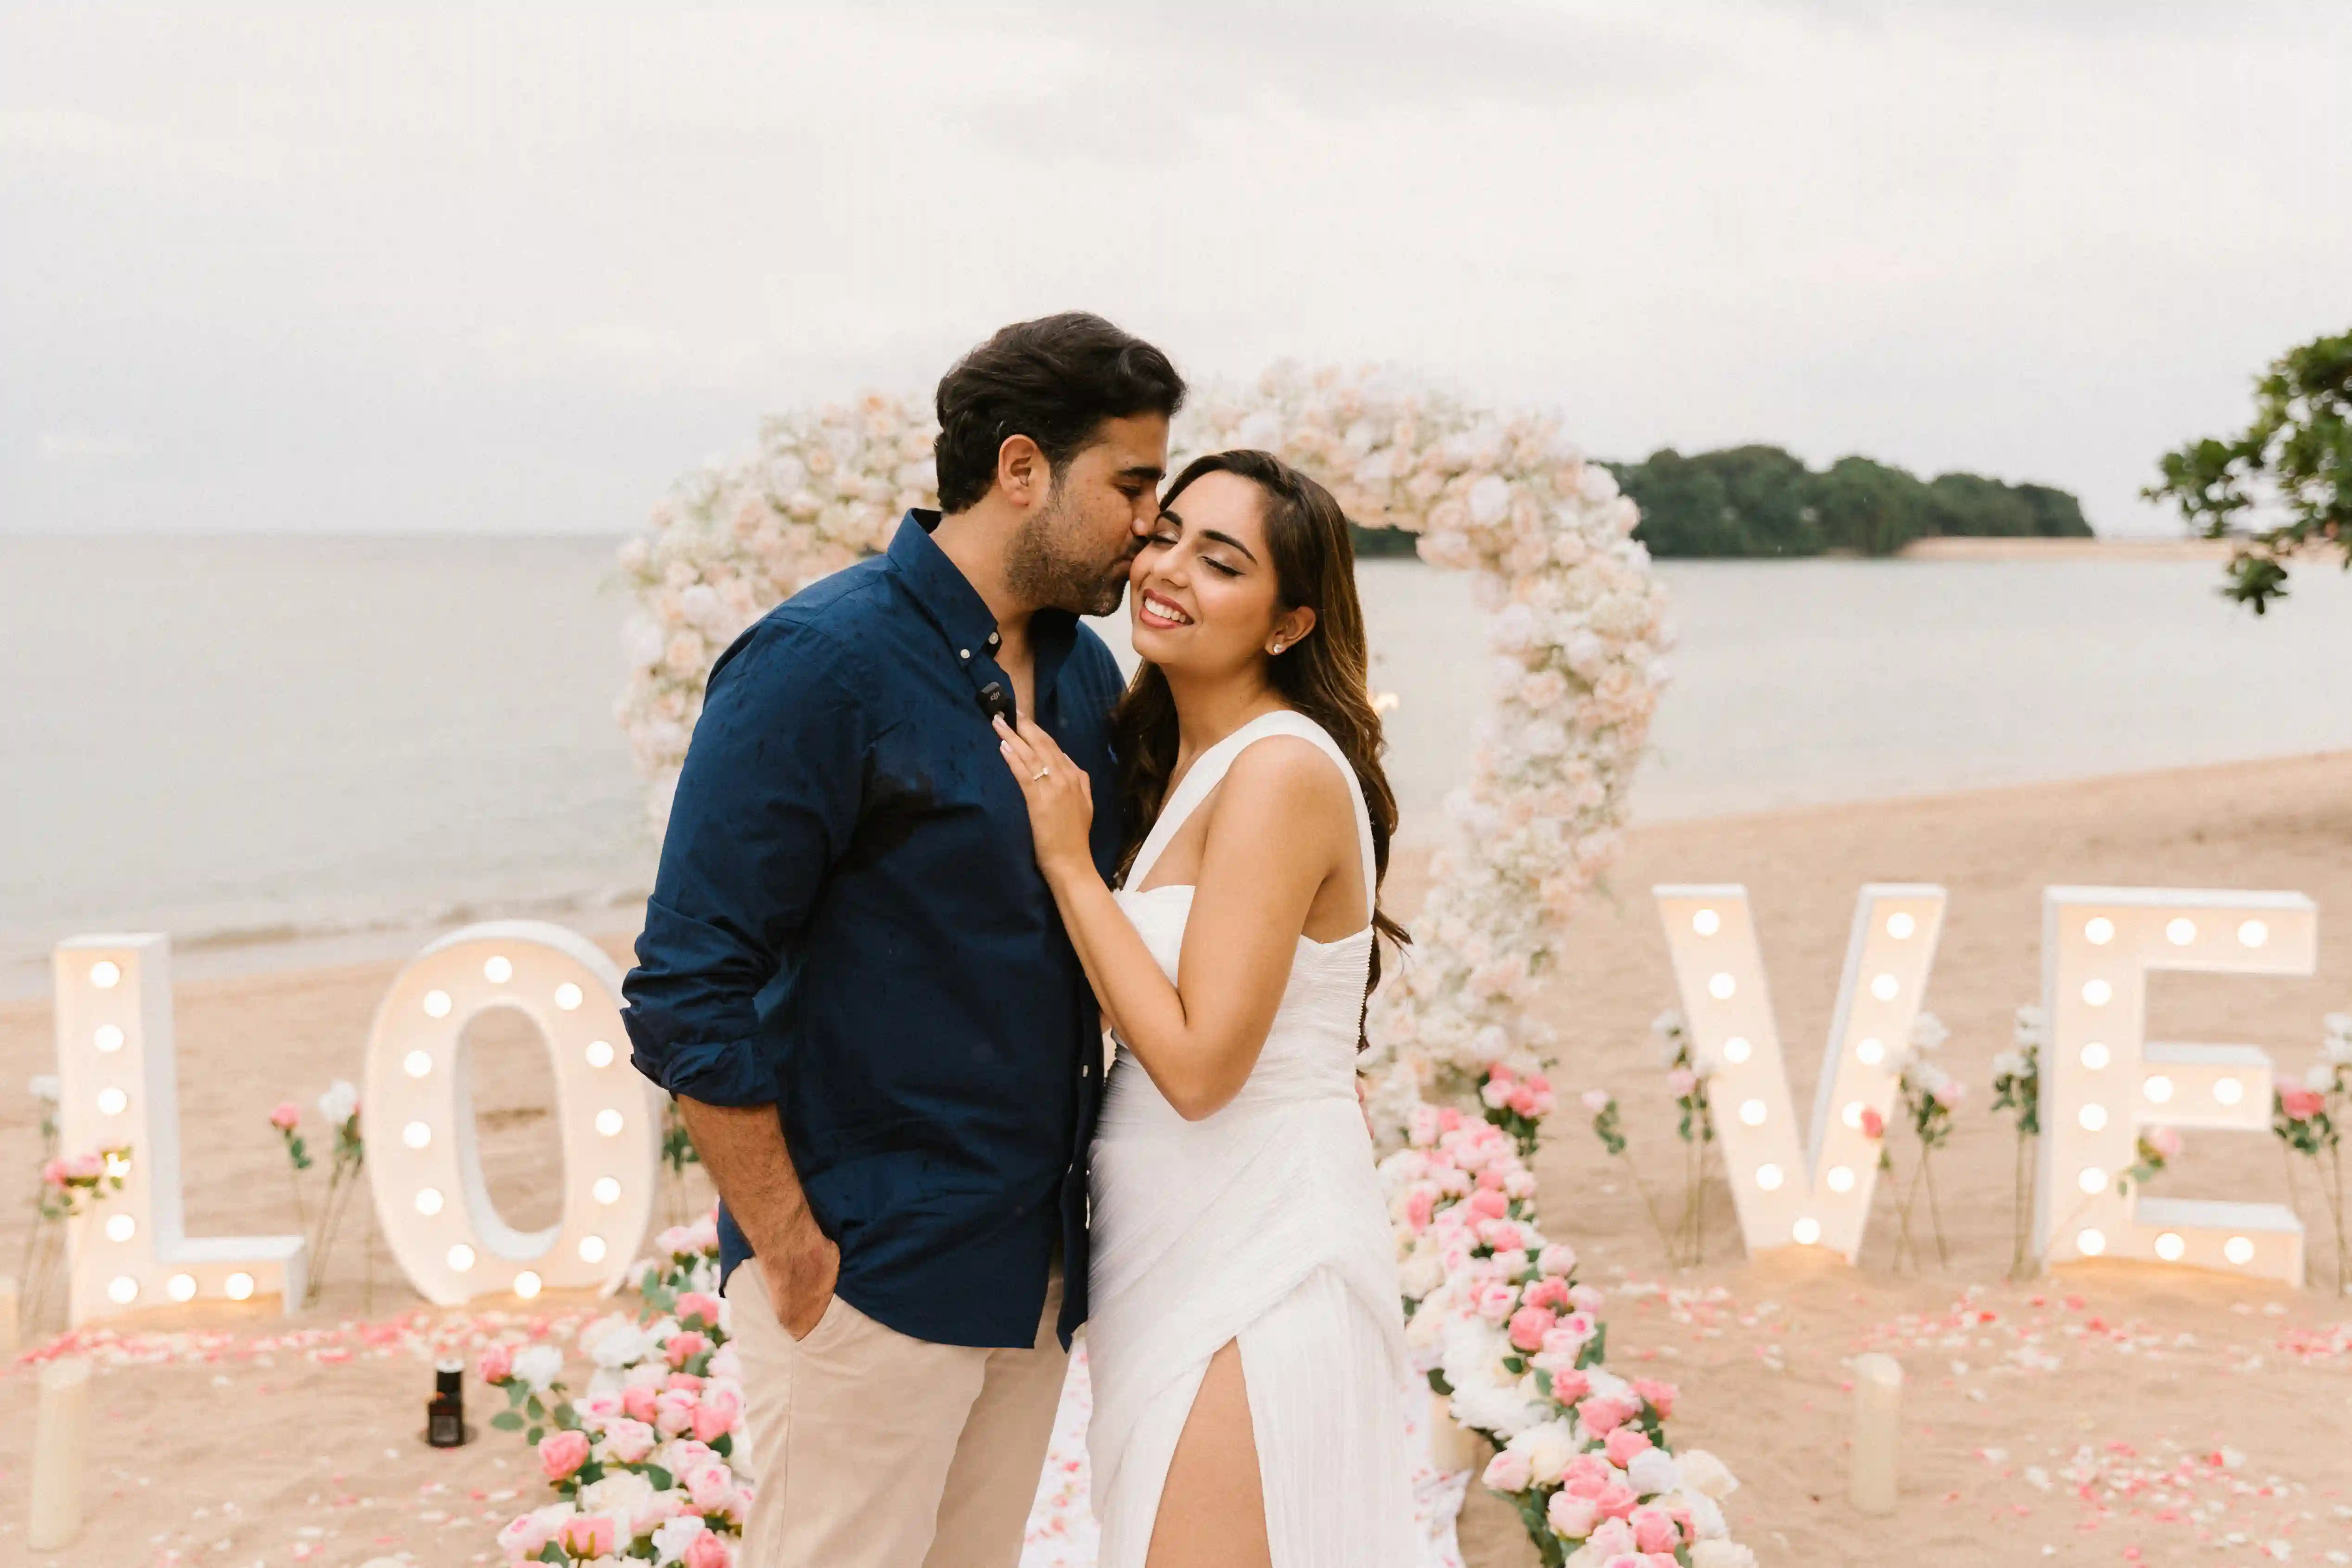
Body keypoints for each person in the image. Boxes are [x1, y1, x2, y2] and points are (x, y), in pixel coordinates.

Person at [621, 311, 1185, 1568]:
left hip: (1030, 1270)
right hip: (864, 1272)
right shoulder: (821, 663)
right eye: (1133, 482)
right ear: (1023, 468)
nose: (1152, 520)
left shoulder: (1086, 675)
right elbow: (684, 984)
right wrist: (789, 1242)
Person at [993, 450, 1417, 1568]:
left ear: (1287, 623)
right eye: (1166, 531)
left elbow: (1196, 1064)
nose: (1167, 568)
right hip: (1164, 1236)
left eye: (1220, 561)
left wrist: (1069, 866)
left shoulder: (1278, 770)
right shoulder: (1185, 757)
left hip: (1258, 1237)